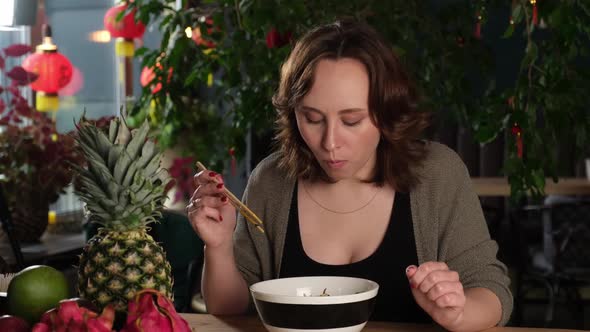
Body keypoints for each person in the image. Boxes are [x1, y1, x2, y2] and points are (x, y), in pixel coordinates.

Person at [187, 19, 512, 330]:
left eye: (352, 121)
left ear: (386, 113)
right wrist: (217, 246)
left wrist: (458, 312)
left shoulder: (439, 174)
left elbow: (492, 290)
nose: (329, 143)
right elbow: (230, 309)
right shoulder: (271, 180)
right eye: (312, 118)